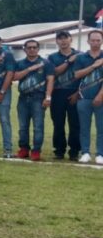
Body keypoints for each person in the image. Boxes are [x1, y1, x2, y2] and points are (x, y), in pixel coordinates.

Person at [12, 39, 55, 161]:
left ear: (38, 49)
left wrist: (48, 97)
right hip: (23, 98)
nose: (32, 49)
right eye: (29, 47)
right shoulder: (20, 63)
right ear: (25, 49)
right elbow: (14, 77)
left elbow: (50, 80)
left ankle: (36, 151)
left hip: (38, 97)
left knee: (38, 127)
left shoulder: (46, 63)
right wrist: (30, 69)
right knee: (23, 126)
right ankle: (24, 149)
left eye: (34, 47)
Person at [47, 31, 81, 160]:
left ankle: (74, 151)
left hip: (75, 92)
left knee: (75, 124)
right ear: (56, 41)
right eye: (60, 39)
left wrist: (78, 93)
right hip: (58, 92)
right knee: (58, 123)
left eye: (65, 38)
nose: (63, 41)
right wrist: (68, 61)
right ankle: (59, 150)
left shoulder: (81, 56)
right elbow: (54, 73)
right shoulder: (52, 57)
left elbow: (84, 76)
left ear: (71, 39)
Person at [72, 29, 103, 164]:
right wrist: (94, 66)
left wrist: (100, 95)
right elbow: (77, 74)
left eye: (98, 40)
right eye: (93, 40)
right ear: (88, 41)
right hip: (83, 97)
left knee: (101, 127)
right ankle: (85, 152)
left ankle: (100, 154)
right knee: (84, 127)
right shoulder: (81, 58)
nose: (95, 43)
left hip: (101, 97)